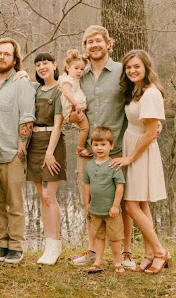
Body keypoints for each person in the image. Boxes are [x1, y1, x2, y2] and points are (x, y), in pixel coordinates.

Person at [72, 25, 135, 269]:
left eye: (98, 40)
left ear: (108, 43)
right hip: (88, 150)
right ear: (85, 47)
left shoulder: (122, 71)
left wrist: (155, 122)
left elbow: (140, 94)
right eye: (89, 42)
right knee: (90, 200)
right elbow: (72, 108)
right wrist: (74, 117)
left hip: (118, 148)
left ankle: (127, 252)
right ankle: (92, 250)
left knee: (123, 203)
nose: (94, 45)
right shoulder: (80, 74)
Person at [110, 50, 172, 274]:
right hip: (132, 143)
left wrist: (130, 157)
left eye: (136, 66)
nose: (132, 71)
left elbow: (149, 133)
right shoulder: (136, 90)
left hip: (141, 150)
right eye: (128, 67)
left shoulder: (151, 93)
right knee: (142, 204)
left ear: (146, 67)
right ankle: (148, 254)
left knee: (130, 205)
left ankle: (160, 252)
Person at [0, 38, 36, 264]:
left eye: (7, 54)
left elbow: (27, 118)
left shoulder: (21, 83)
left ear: (15, 59)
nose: (2, 57)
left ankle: (16, 246)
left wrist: (21, 149)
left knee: (15, 203)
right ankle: (1, 243)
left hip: (12, 151)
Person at [26, 52, 67, 265]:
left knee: (50, 196)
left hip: (52, 143)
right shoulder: (35, 89)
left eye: (46, 64)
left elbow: (59, 123)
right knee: (41, 196)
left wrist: (50, 152)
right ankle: (47, 241)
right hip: (34, 143)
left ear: (54, 65)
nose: (42, 67)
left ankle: (55, 243)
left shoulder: (60, 89)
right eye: (38, 64)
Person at [84, 126, 125, 275]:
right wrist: (87, 204)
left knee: (114, 239)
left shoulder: (114, 165)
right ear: (92, 145)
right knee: (98, 236)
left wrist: (115, 206)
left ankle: (118, 263)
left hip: (111, 211)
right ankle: (98, 262)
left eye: (103, 144)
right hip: (95, 209)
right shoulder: (89, 165)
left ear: (111, 146)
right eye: (96, 145)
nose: (99, 148)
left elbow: (120, 186)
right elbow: (87, 185)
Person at [59, 50, 91, 157]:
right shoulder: (67, 80)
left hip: (76, 109)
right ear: (68, 68)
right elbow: (67, 93)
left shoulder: (75, 79)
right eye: (76, 68)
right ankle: (80, 148)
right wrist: (76, 104)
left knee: (84, 127)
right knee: (85, 128)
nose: (79, 71)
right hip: (72, 110)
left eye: (82, 69)